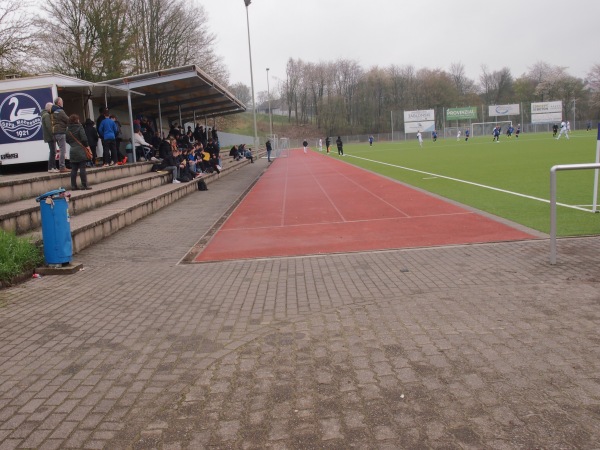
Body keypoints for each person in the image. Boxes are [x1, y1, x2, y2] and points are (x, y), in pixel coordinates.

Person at [65, 114, 92, 190]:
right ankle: (84, 185)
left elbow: (67, 140)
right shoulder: (80, 127)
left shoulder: (67, 129)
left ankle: (73, 186)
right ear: (76, 120)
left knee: (74, 169)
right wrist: (86, 146)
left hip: (72, 150)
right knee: (82, 168)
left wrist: (72, 144)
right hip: (80, 149)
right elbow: (84, 138)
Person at [51, 97, 69, 173]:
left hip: (54, 132)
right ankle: (62, 167)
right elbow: (67, 119)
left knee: (54, 150)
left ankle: (53, 166)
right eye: (62, 101)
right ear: (58, 103)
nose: (62, 102)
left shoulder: (52, 111)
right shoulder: (60, 111)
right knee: (62, 150)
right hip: (60, 132)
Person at [41, 102, 58, 173]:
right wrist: (53, 135)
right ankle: (51, 167)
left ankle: (53, 167)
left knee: (53, 151)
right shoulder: (47, 115)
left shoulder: (44, 115)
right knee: (52, 152)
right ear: (49, 108)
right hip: (50, 137)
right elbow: (49, 126)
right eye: (52, 107)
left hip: (48, 136)